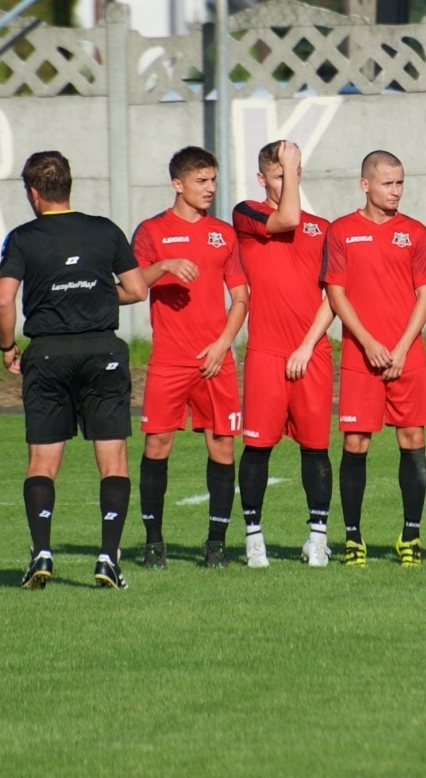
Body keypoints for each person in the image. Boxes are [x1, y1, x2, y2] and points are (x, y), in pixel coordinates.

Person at [0, 150, 149, 590]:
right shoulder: (105, 230)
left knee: (43, 458)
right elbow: (136, 289)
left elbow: (4, 299)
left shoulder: (21, 237)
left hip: (47, 354)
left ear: (34, 193)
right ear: (68, 186)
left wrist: (7, 347)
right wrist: (94, 294)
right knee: (112, 456)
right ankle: (107, 558)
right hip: (103, 350)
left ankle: (41, 550)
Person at [132, 146, 250, 569]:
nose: (210, 189)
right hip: (169, 359)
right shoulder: (150, 231)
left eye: (213, 181)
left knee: (222, 446)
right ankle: (153, 545)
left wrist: (223, 344)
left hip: (216, 359)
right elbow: (129, 288)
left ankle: (216, 545)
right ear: (177, 184)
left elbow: (240, 297)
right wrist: (162, 265)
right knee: (158, 444)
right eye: (201, 181)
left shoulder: (224, 233)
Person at [322, 150, 426, 567]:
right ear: (365, 184)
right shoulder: (341, 231)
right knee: (356, 442)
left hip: (406, 357)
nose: (396, 191)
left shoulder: (415, 232)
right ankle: (353, 539)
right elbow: (336, 292)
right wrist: (368, 343)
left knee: (413, 439)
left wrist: (403, 347)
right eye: (388, 183)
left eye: (400, 183)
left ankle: (411, 536)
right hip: (360, 357)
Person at [232, 140, 337, 568]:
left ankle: (317, 538)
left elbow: (335, 295)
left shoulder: (323, 228)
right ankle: (254, 538)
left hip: (311, 353)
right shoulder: (247, 214)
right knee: (257, 447)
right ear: (262, 179)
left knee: (315, 448)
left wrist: (308, 344)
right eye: (279, 175)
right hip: (266, 354)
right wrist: (289, 165)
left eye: (293, 173)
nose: (289, 180)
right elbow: (287, 216)